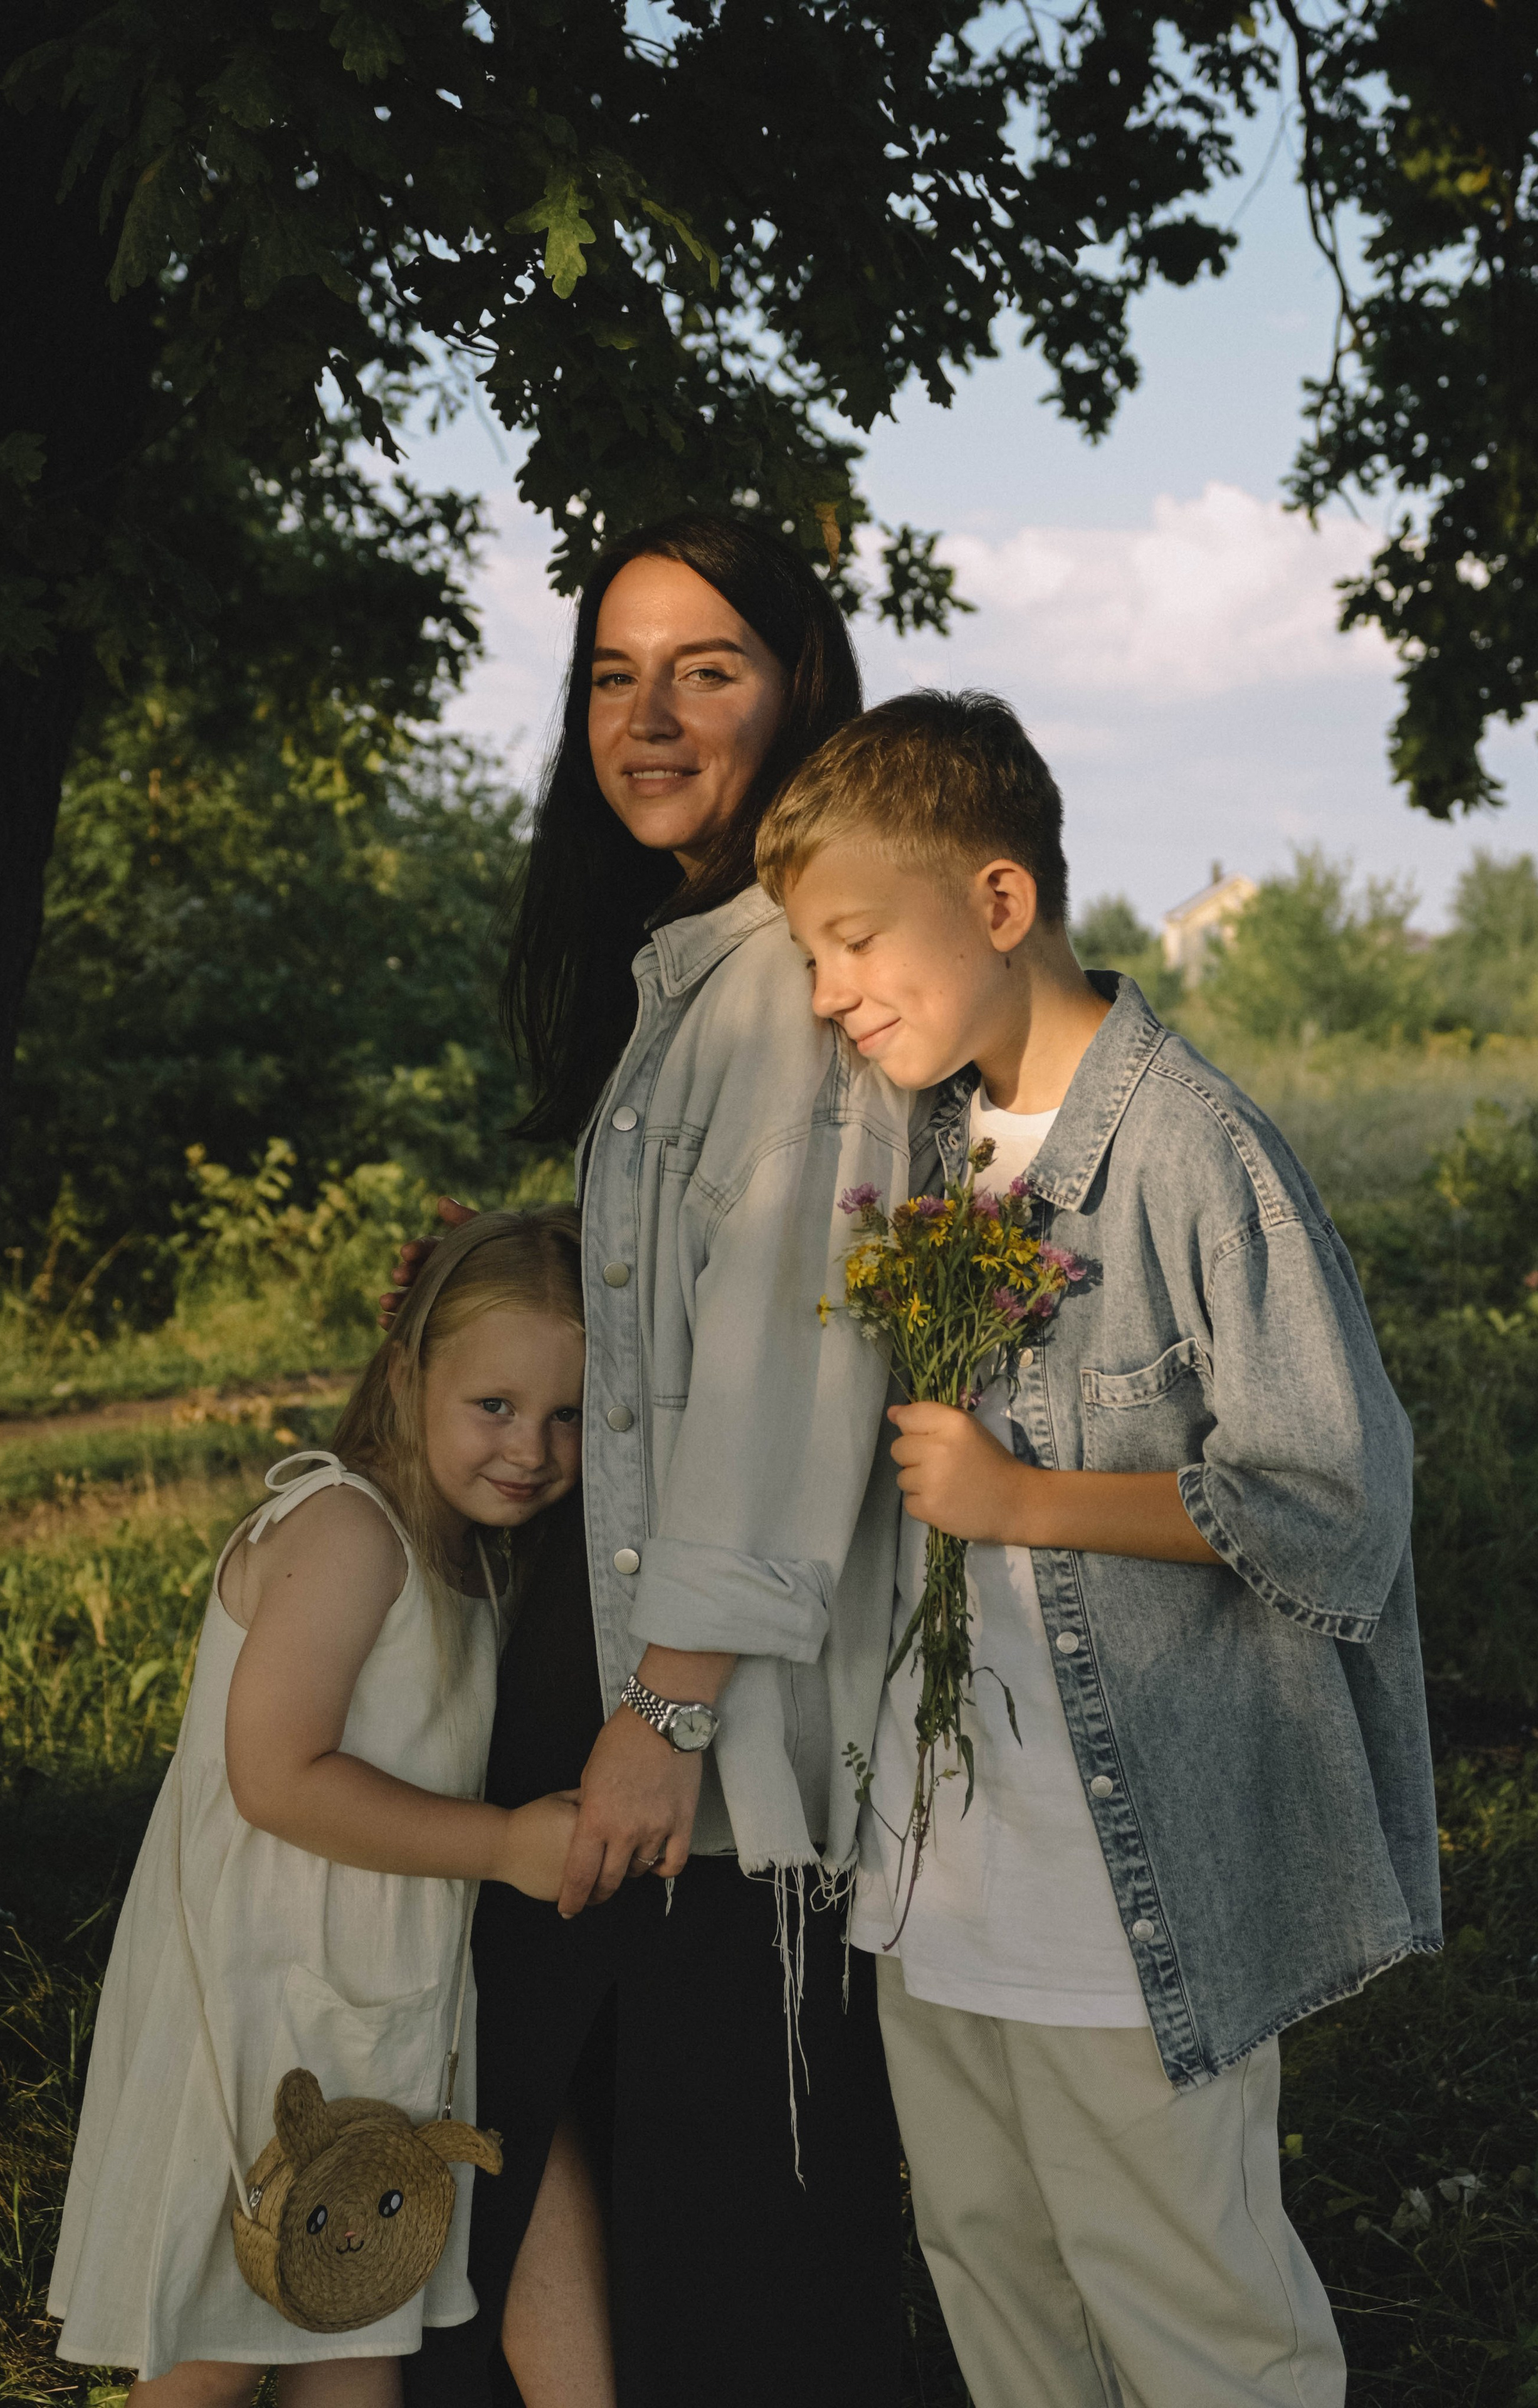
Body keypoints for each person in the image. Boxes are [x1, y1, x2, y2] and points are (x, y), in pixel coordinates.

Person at [761, 689, 1443, 2408]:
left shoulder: (1193, 1154)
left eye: (852, 943)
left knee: (1194, 2313)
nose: (830, 993)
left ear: (999, 904)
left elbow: (1334, 1493)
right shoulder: (925, 1140)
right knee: (1002, 2289)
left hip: (1125, 1890)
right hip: (943, 1875)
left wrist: (1029, 1500)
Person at [395, 517, 908, 2408]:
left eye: (708, 669)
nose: (649, 715)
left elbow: (791, 1369)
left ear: (800, 691)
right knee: (549, 2112)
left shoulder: (791, 977)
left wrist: (667, 1714)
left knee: (727, 2202)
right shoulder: (689, 969)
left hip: (723, 1724)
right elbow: (673, 1333)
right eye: (615, 673)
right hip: (632, 1653)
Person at [49, 1211, 604, 2408]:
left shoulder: (465, 1560)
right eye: (495, 1406)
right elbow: (277, 1773)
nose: (533, 1447)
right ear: (410, 1374)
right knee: (221, 2340)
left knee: (354, 2335)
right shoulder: (350, 1528)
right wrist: (505, 1846)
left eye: (567, 1416)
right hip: (261, 2016)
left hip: (361, 2013)